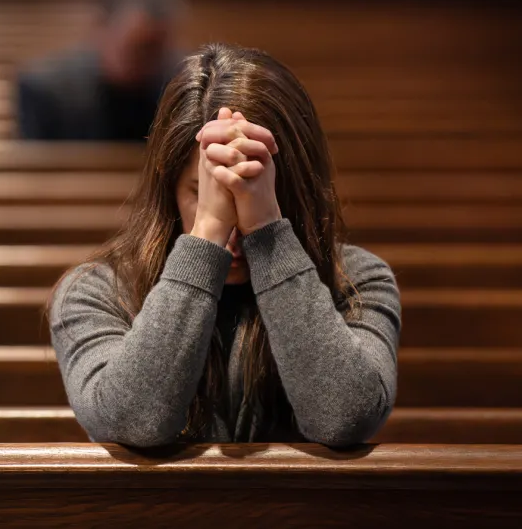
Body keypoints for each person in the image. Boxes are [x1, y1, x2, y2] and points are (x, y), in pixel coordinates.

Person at [49, 43, 401, 447]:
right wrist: (207, 231)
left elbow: (344, 417)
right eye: (203, 192)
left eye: (255, 191)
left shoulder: (358, 279)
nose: (234, 228)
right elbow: (132, 421)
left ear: (297, 191)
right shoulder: (94, 292)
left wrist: (267, 229)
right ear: (169, 191)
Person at [16, 0, 184, 141]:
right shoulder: (44, 90)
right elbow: (33, 165)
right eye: (140, 47)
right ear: (100, 27)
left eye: (159, 49)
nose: (150, 61)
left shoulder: (186, 85)